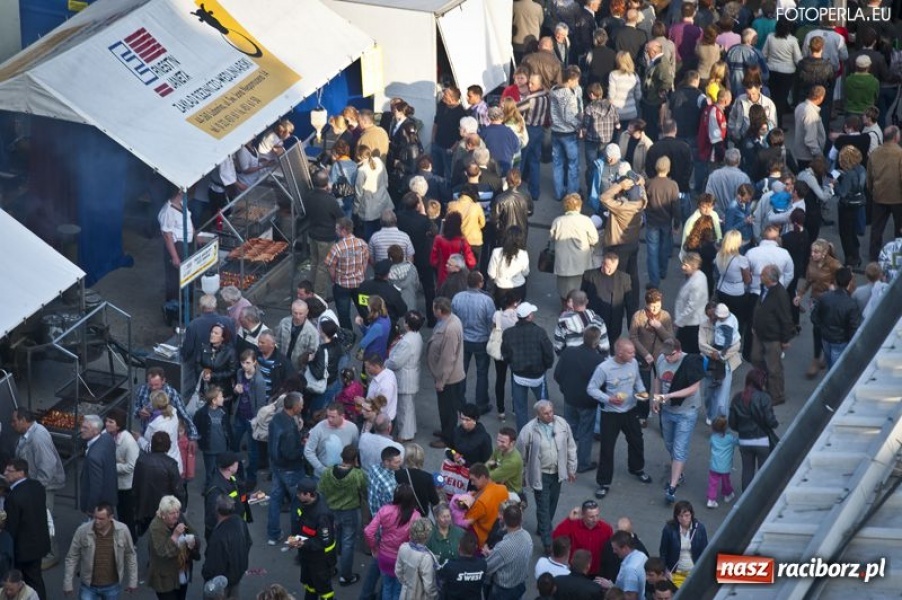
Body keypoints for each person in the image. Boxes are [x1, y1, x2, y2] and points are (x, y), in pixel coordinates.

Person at [587, 339, 650, 499]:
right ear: (619, 353)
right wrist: (608, 399)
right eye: (630, 352)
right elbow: (591, 388)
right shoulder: (604, 368)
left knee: (637, 440)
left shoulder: (633, 363)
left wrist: (643, 394)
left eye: (634, 352)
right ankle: (604, 483)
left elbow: (637, 381)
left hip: (630, 410)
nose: (634, 355)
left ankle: (637, 468)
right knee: (607, 449)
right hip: (611, 413)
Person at [517, 400, 577, 555]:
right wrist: (522, 475)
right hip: (540, 474)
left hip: (557, 472)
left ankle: (542, 527)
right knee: (543, 507)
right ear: (538, 414)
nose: (550, 415)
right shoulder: (529, 430)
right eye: (546, 413)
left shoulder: (562, 424)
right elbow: (520, 455)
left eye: (551, 411)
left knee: (551, 504)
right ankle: (548, 542)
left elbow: (570, 447)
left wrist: (571, 469)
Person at [652, 339, 706, 504]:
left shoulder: (691, 362)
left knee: (679, 447)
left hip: (686, 412)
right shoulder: (661, 359)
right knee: (669, 443)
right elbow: (658, 379)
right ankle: (678, 472)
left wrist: (668, 396)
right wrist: (656, 397)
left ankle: (672, 487)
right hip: (667, 410)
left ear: (678, 350)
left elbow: (693, 388)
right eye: (665, 355)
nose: (667, 359)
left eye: (670, 356)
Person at [555, 327, 606, 473]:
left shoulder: (569, 352)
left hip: (569, 398)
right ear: (596, 343)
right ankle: (582, 463)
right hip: (587, 402)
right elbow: (602, 386)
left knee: (569, 429)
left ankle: (564, 459)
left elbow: (557, 374)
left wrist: (565, 389)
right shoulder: (599, 361)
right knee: (586, 433)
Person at [63, 502, 138, 597]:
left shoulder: (122, 530)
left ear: (111, 517)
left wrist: (133, 581)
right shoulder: (83, 531)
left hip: (112, 586)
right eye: (95, 517)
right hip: (88, 586)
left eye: (101, 519)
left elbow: (130, 554)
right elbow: (72, 557)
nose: (97, 521)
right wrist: (68, 583)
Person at [501, 302, 555, 432]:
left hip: (518, 375)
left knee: (520, 409)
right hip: (537, 375)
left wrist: (512, 365)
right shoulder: (540, 332)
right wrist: (546, 366)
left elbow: (505, 354)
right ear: (529, 316)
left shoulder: (509, 333)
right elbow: (548, 353)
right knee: (544, 406)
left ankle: (524, 435)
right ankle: (547, 430)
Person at [793, 239, 842, 378]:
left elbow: (846, 280)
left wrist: (836, 288)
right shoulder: (811, 262)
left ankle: (826, 356)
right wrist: (800, 294)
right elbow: (808, 280)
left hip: (830, 301)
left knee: (827, 328)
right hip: (815, 300)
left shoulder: (834, 264)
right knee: (817, 328)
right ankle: (816, 359)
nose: (812, 254)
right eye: (812, 251)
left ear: (824, 253)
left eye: (816, 252)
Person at [364, 484, 422, 600]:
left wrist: (374, 547)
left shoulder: (385, 510)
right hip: (403, 559)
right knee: (398, 590)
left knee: (387, 586)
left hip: (384, 556)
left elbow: (368, 532)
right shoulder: (416, 516)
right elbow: (416, 541)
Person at [4, 459, 49, 600]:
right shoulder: (37, 486)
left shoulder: (13, 497)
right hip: (39, 544)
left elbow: (11, 527)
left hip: (23, 549)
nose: (5, 473)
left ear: (21, 473)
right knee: (36, 578)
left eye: (10, 471)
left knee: (24, 580)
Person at [452, 271, 496, 414]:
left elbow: (454, 318)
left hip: (463, 339)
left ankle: (459, 401)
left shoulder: (458, 298)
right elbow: (491, 320)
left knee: (461, 371)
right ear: (480, 283)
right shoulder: (486, 301)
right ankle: (481, 403)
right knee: (482, 372)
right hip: (481, 340)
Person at [629, 288, 674, 426]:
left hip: (661, 357)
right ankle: (642, 414)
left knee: (660, 389)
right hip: (643, 357)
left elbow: (670, 339)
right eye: (652, 306)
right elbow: (633, 337)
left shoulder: (665, 316)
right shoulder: (638, 316)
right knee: (643, 387)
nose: (655, 309)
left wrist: (659, 327)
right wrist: (645, 353)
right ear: (646, 303)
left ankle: (662, 419)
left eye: (658, 305)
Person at [729, 368, 779, 491]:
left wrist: (741, 429)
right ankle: (762, 500)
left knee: (747, 471)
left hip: (745, 440)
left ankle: (745, 500)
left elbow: (732, 423)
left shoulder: (737, 398)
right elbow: (770, 421)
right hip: (762, 440)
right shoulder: (764, 398)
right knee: (763, 473)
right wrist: (774, 423)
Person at [266, 392, 306, 546]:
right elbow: (290, 454)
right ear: (295, 407)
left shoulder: (277, 418)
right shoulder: (289, 428)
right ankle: (296, 537)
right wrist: (303, 447)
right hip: (291, 470)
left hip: (276, 467)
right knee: (297, 502)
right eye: (301, 404)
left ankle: (273, 534)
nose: (302, 406)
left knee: (275, 499)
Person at [751, 265, 793, 406]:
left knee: (774, 368)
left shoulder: (780, 294)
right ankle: (763, 384)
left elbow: (786, 318)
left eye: (762, 275)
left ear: (769, 278)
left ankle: (777, 395)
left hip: (772, 337)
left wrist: (785, 339)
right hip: (760, 333)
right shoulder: (765, 289)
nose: (760, 277)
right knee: (756, 359)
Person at [427, 297, 466, 449]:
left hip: (449, 378)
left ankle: (447, 438)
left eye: (434, 308)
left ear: (439, 311)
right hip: (450, 375)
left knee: (447, 409)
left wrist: (441, 381)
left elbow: (448, 358)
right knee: (448, 407)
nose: (432, 310)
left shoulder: (450, 330)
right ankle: (446, 431)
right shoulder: (450, 320)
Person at [147, 495, 200, 600]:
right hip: (165, 579)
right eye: (172, 513)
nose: (176, 516)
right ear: (163, 515)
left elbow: (194, 533)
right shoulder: (156, 527)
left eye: (177, 512)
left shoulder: (180, 518)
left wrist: (193, 541)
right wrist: (175, 536)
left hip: (181, 572)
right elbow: (162, 552)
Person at [549, 194, 600, 302]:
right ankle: (578, 306)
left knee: (563, 287)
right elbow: (594, 239)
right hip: (581, 261)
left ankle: (565, 307)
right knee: (579, 286)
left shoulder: (558, 221)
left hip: (563, 261)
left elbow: (552, 238)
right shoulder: (586, 220)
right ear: (579, 207)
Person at [133, 432, 185, 537]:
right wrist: (181, 507)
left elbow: (136, 484)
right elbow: (178, 489)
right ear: (168, 446)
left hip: (145, 504)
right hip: (164, 507)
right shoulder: (171, 464)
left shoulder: (141, 460)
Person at [385, 311, 424, 442]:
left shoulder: (407, 341)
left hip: (405, 376)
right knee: (408, 406)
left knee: (404, 408)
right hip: (412, 374)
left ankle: (405, 434)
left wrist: (385, 363)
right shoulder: (416, 336)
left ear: (407, 324)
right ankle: (409, 430)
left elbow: (396, 362)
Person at [201, 495, 250, 600]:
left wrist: (205, 573)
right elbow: (248, 542)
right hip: (236, 574)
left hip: (221, 582)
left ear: (216, 509)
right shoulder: (239, 521)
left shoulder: (218, 536)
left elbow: (213, 564)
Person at [325, 217, 370, 330]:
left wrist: (334, 279)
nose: (335, 231)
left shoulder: (337, 247)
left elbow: (330, 265)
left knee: (344, 313)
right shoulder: (362, 244)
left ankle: (348, 335)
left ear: (343, 230)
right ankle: (370, 328)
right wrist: (361, 274)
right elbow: (365, 262)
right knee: (364, 308)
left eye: (337, 229)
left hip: (342, 286)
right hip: (360, 285)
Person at [812, 267, 861, 368]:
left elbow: (814, 316)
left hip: (826, 337)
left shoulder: (825, 297)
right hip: (841, 340)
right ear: (849, 283)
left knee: (830, 361)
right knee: (836, 367)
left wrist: (822, 328)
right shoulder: (851, 304)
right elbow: (853, 327)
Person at [643, 156, 680, 290]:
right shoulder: (673, 185)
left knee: (652, 251)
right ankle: (663, 271)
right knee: (665, 247)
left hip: (652, 222)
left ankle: (654, 280)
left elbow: (644, 202)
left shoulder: (649, 183)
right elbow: (676, 206)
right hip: (666, 221)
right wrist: (676, 224)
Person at [866, 126, 902, 261]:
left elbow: (869, 177)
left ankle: (873, 257)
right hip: (898, 198)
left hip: (879, 196)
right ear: (896, 138)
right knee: (899, 230)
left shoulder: (875, 153)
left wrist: (872, 191)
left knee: (876, 229)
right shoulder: (900, 154)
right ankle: (897, 257)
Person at [133, 368, 198, 441]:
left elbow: (184, 415)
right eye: (151, 384)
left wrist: (193, 437)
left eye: (156, 385)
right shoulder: (142, 390)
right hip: (146, 434)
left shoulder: (172, 393)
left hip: (166, 438)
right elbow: (135, 410)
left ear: (163, 381)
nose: (153, 388)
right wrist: (139, 412)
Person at [104, 409, 139, 541]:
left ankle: (131, 541)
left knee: (126, 516)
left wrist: (111, 465)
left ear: (118, 426)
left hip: (126, 486)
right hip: (114, 482)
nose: (107, 424)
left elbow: (131, 466)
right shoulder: (107, 435)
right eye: (107, 420)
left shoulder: (129, 443)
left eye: (110, 422)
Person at [550, 66, 584, 201]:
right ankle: (572, 195)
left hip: (555, 131)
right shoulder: (568, 95)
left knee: (557, 164)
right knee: (573, 165)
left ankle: (559, 193)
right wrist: (579, 125)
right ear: (570, 80)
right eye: (576, 81)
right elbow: (568, 117)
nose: (577, 84)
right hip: (568, 134)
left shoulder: (554, 91)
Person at [582, 251, 633, 342]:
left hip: (614, 322)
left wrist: (632, 327)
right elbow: (582, 297)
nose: (609, 271)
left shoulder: (624, 279)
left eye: (612, 268)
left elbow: (629, 304)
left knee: (612, 346)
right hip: (595, 320)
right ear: (602, 263)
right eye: (608, 267)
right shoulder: (589, 275)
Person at [485, 504, 532, 600]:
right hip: (519, 585)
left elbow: (488, 567)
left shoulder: (503, 546)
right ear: (521, 520)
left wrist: (490, 554)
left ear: (504, 521)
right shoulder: (528, 537)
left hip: (503, 591)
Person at [158, 188, 195, 306]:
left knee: (188, 275)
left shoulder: (182, 203)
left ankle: (187, 303)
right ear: (179, 191)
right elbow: (167, 236)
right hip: (177, 247)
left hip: (186, 244)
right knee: (174, 279)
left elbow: (188, 220)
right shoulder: (167, 211)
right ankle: (173, 307)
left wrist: (195, 234)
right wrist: (175, 257)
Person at [658, 501, 708, 588]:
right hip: (676, 573)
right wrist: (665, 570)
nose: (684, 519)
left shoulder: (700, 528)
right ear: (676, 516)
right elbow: (663, 552)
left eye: (687, 515)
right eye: (680, 516)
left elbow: (705, 551)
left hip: (693, 572)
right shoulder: (669, 529)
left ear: (691, 515)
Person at [304, 403, 360, 478]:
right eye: (328, 416)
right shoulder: (319, 427)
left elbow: (354, 449)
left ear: (342, 416)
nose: (329, 419)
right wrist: (322, 469)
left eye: (333, 417)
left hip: (344, 476)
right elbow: (308, 451)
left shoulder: (352, 428)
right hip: (321, 476)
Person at [79, 414, 118, 517]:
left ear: (96, 431)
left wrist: (91, 509)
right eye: (82, 426)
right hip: (109, 498)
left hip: (99, 507)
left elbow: (96, 486)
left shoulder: (94, 456)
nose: (81, 430)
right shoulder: (107, 438)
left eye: (85, 428)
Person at [137, 392, 183, 476]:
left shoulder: (158, 426)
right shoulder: (173, 412)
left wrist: (139, 439)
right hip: (174, 460)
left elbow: (151, 448)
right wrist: (150, 414)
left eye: (150, 402)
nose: (148, 404)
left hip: (162, 467)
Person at [553, 290, 609, 355]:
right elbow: (604, 347)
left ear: (572, 303)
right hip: (592, 359)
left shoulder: (563, 323)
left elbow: (558, 346)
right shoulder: (598, 321)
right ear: (587, 302)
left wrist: (564, 357)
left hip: (572, 358)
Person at [394, 519, 438, 600]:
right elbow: (429, 587)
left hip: (405, 594)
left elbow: (398, 572)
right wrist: (435, 596)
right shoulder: (426, 558)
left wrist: (407, 584)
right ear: (427, 536)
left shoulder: (403, 547)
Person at [673, 253, 707, 354]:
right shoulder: (697, 276)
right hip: (689, 321)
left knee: (685, 350)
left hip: (691, 323)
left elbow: (691, 307)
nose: (682, 267)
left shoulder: (696, 283)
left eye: (686, 265)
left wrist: (679, 321)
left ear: (693, 266)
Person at [487, 226, 530, 307]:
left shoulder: (496, 252)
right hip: (519, 288)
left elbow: (491, 274)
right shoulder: (523, 253)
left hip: (501, 288)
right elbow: (526, 273)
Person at [436, 531, 486, 598]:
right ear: (476, 547)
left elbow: (438, 574)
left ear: (458, 547)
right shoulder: (482, 564)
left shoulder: (449, 566)